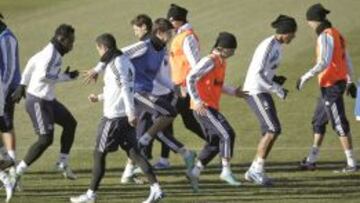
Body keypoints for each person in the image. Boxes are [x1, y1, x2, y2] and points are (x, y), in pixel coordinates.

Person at [70, 33, 164, 203]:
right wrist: (98, 97)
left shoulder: (116, 64)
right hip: (123, 118)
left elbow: (126, 90)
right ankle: (156, 189)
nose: (98, 53)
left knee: (99, 154)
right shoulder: (124, 61)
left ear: (103, 48)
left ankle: (91, 195)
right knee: (135, 154)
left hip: (114, 119)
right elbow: (114, 88)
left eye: (98, 49)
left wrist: (130, 113)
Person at [11, 24, 79, 189]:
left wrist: (22, 84)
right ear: (61, 39)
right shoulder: (51, 55)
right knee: (45, 139)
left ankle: (62, 163)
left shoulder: (52, 51)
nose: (72, 45)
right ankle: (16, 172)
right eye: (70, 41)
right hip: (37, 102)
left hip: (48, 99)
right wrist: (66, 77)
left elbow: (32, 61)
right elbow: (43, 76)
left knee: (70, 123)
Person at [297, 3, 357, 173]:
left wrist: (305, 76)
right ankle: (311, 160)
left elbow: (324, 62)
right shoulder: (336, 34)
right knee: (318, 121)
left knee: (339, 124)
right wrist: (351, 81)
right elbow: (347, 59)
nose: (308, 24)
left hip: (332, 87)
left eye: (308, 21)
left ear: (313, 20)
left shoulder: (325, 36)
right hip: (329, 86)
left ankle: (352, 163)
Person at [186, 32, 248, 192]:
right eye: (231, 50)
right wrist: (197, 100)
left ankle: (195, 172)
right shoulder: (210, 61)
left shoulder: (221, 62)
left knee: (214, 142)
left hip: (210, 107)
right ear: (222, 48)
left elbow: (218, 85)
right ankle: (226, 171)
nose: (233, 53)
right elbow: (190, 78)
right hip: (203, 108)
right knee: (227, 134)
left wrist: (234, 92)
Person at [242, 15, 297, 186]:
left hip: (263, 90)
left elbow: (267, 71)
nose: (294, 37)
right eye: (292, 34)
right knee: (273, 129)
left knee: (271, 130)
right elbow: (258, 73)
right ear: (284, 32)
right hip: (255, 91)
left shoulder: (278, 46)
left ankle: (255, 170)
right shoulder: (269, 45)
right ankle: (255, 171)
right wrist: (277, 89)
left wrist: (275, 80)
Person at [130, 14, 173, 170]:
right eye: (169, 32)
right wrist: (97, 69)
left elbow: (158, 75)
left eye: (136, 29)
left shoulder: (157, 48)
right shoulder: (146, 45)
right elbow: (118, 55)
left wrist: (174, 87)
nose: (172, 36)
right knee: (163, 121)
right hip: (142, 93)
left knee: (142, 130)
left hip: (148, 93)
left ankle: (132, 167)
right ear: (159, 32)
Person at [0, 12, 21, 181]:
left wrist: (3, 92)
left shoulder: (6, 37)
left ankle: (12, 166)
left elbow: (9, 70)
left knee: (6, 125)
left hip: (6, 90)